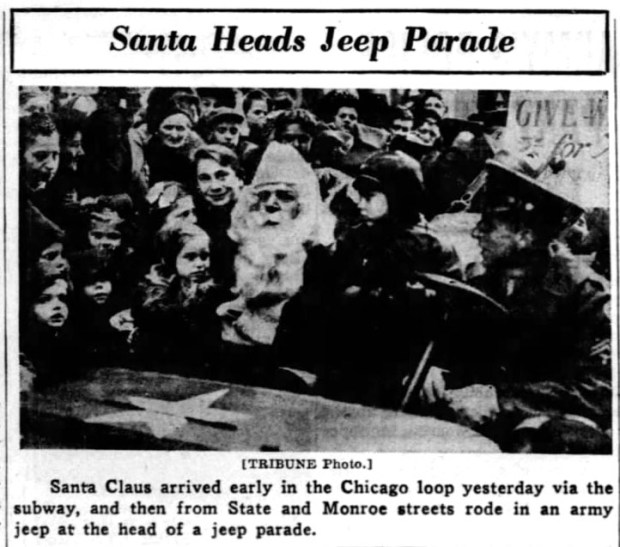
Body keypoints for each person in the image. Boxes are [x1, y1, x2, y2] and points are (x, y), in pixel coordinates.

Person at [422, 151, 612, 453]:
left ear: (524, 235)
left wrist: (502, 401)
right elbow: (455, 344)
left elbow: (601, 390)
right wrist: (433, 369)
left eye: (489, 225)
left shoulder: (586, 294)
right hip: (471, 426)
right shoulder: (484, 281)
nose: (476, 232)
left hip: (538, 434)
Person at [131, 222, 227, 376]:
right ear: (169, 258)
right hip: (162, 370)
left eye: (204, 256)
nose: (200, 264)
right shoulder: (153, 295)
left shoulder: (213, 293)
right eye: (190, 257)